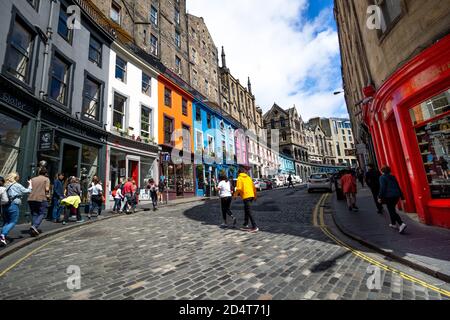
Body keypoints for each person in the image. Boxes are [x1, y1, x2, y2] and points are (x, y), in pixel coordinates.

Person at [0, 173, 32, 246]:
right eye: (18, 177)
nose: (18, 178)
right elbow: (28, 191)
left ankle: (2, 235)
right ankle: (2, 235)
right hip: (13, 205)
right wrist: (30, 184)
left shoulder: (5, 185)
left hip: (4, 205)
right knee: (13, 221)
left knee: (6, 222)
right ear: (15, 177)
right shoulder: (16, 185)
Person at [378, 166, 407, 234]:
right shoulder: (393, 177)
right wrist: (402, 197)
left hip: (389, 196)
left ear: (382, 171)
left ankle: (401, 223)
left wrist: (379, 197)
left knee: (391, 211)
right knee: (392, 209)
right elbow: (398, 186)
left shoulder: (382, 177)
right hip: (396, 196)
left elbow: (383, 188)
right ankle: (393, 224)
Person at [28, 168, 50, 237]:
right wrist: (48, 196)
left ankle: (34, 229)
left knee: (35, 213)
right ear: (46, 173)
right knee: (42, 213)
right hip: (41, 198)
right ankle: (34, 226)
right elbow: (47, 189)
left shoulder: (33, 179)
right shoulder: (46, 179)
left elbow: (29, 188)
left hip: (31, 198)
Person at [234, 167, 258, 233]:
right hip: (251, 195)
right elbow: (253, 187)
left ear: (239, 172)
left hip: (246, 196)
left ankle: (254, 226)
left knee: (249, 211)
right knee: (246, 209)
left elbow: (239, 188)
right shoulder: (248, 178)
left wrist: (235, 195)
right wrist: (255, 196)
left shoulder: (239, 178)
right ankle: (245, 224)